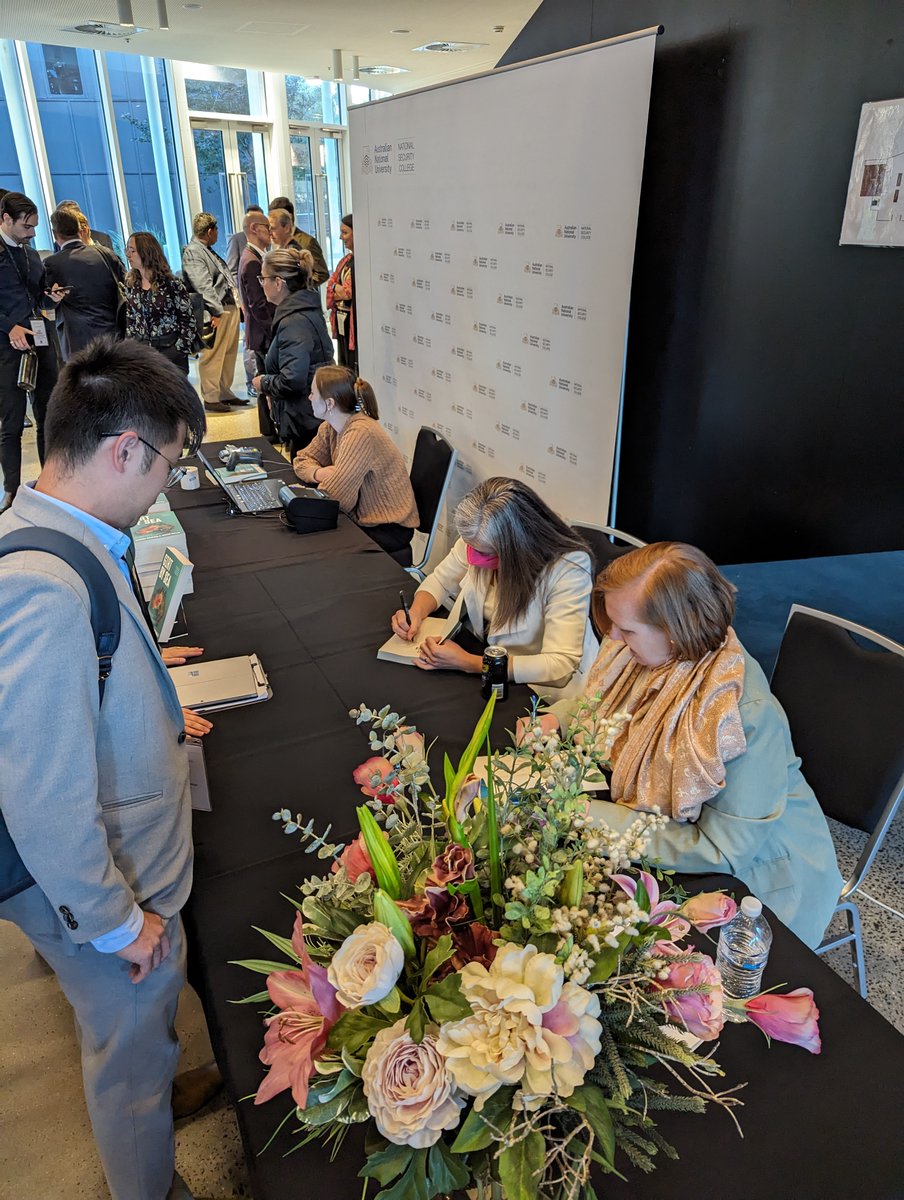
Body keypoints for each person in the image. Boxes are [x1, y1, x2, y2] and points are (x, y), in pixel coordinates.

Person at [0, 336, 211, 1200]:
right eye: (167, 462)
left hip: (115, 879)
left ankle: (158, 1088)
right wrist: (120, 924)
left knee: (145, 1043)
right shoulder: (43, 584)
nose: (165, 483)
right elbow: (44, 797)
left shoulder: (52, 529)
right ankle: (148, 1183)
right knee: (125, 1058)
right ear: (125, 448)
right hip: (103, 897)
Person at [535, 542, 843, 949]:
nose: (613, 638)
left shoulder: (740, 713)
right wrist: (558, 716)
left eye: (626, 630)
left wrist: (587, 815)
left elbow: (721, 851)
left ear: (677, 628)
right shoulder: (649, 652)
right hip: (687, 842)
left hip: (762, 885)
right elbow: (610, 702)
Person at [391, 477, 599, 697]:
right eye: (470, 546)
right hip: (490, 662)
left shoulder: (568, 569)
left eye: (485, 553)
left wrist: (469, 663)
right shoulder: (478, 537)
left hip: (544, 689)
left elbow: (559, 665)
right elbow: (441, 580)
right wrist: (416, 612)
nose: (472, 557)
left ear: (517, 547)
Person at [293, 366, 418, 563]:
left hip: (386, 527)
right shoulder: (332, 426)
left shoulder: (360, 433)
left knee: (308, 544)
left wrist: (327, 481)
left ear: (329, 403)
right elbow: (301, 460)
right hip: (365, 518)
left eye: (312, 393)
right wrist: (319, 473)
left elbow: (335, 499)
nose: (309, 397)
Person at [0, 192, 59, 514]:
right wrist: (9, 327)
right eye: (26, 226)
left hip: (40, 338)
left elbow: (41, 298)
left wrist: (53, 298)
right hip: (7, 347)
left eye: (34, 226)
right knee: (10, 421)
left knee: (47, 413)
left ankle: (49, 483)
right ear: (6, 220)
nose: (32, 233)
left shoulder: (32, 255)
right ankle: (10, 490)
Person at [251, 247, 333, 455]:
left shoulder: (293, 321)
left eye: (263, 278)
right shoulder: (303, 311)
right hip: (310, 415)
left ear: (278, 282)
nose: (262, 284)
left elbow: (292, 379)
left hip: (305, 421)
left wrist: (264, 383)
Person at [181, 212, 244, 413]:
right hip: (215, 311)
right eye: (216, 230)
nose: (217, 234)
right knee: (213, 354)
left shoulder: (205, 250)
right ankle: (211, 396)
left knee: (228, 353)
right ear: (210, 231)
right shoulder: (193, 251)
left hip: (227, 307)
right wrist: (216, 311)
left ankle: (224, 391)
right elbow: (202, 285)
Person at [44, 206, 124, 358]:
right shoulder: (106, 254)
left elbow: (46, 302)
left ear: (55, 234)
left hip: (76, 343)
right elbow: (126, 285)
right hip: (112, 335)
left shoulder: (52, 264)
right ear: (79, 229)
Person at [125, 231, 197, 375]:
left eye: (132, 250)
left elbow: (188, 321)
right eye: (127, 250)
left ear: (146, 252)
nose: (128, 254)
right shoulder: (131, 285)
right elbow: (130, 321)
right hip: (143, 357)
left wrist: (178, 350)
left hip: (170, 353)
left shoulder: (172, 284)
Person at [237, 209, 275, 431]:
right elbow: (258, 305)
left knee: (265, 384)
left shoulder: (254, 257)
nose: (270, 233)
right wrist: (275, 330)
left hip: (260, 334)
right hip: (263, 336)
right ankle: (270, 432)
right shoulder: (252, 261)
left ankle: (270, 431)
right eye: (266, 228)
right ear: (254, 228)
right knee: (265, 385)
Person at [268, 196, 329, 287]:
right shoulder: (276, 241)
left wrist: (300, 285)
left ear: (289, 217)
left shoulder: (307, 242)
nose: (270, 231)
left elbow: (322, 273)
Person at [326, 214, 356, 376]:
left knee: (354, 362)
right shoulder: (345, 260)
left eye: (345, 232)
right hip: (341, 321)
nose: (340, 237)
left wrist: (338, 289)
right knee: (344, 363)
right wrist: (338, 289)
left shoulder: (362, 261)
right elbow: (330, 285)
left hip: (355, 322)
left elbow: (347, 292)